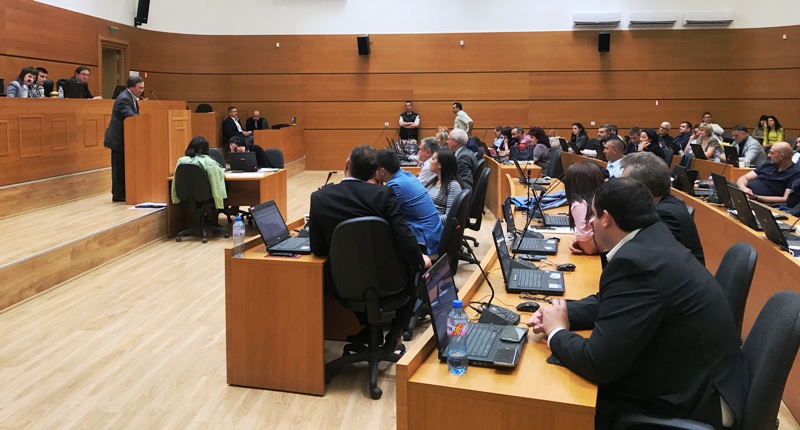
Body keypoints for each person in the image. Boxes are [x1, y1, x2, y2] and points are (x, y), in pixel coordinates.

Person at [527, 178, 747, 428]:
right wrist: (563, 311)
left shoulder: (636, 264)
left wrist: (556, 332)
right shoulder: (653, 236)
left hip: (697, 400)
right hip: (706, 375)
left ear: (606, 219)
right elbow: (614, 301)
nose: (590, 223)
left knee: (562, 399)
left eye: (593, 215)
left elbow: (598, 364)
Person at [308, 145, 430, 349]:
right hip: (390, 279)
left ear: (347, 165)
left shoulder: (320, 198)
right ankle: (395, 332)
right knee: (417, 267)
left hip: (343, 283)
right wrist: (419, 260)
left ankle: (368, 327)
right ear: (374, 173)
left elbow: (318, 248)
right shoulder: (384, 195)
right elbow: (404, 236)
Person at [621, 152, 705, 265]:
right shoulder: (665, 202)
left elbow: (643, 257)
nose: (619, 189)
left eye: (623, 185)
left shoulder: (665, 216)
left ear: (641, 190)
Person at [375, 149, 442, 256]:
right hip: (434, 233)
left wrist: (372, 185)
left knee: (379, 232)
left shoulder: (395, 186)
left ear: (382, 171)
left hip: (426, 242)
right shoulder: (406, 175)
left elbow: (378, 212)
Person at [103, 75, 145, 202]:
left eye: (142, 88)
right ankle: (117, 194)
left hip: (126, 138)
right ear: (131, 87)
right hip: (118, 139)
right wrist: (144, 120)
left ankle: (124, 192)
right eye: (139, 88)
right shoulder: (124, 99)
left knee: (123, 166)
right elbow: (131, 117)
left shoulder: (132, 97)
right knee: (118, 168)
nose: (142, 90)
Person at [170, 136, 227, 223]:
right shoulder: (209, 162)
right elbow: (216, 182)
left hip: (185, 195)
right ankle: (214, 223)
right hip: (206, 195)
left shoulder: (181, 161)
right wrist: (219, 201)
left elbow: (175, 181)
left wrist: (175, 198)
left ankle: (205, 222)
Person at [564, 162, 603, 255]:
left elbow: (590, 249)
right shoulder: (602, 199)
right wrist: (580, 240)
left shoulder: (580, 205)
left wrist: (583, 241)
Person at [425, 149, 465, 224]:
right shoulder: (432, 179)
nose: (430, 161)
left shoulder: (453, 186)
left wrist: (426, 220)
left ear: (440, 165)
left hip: (434, 225)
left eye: (433, 159)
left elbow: (449, 217)